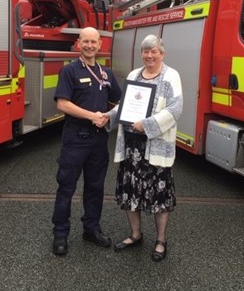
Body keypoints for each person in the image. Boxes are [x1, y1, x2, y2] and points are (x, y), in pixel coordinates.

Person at [105, 34, 183, 262]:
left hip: (155, 148)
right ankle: (136, 234)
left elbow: (176, 108)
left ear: (162, 53)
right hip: (131, 149)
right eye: (145, 51)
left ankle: (161, 240)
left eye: (154, 51)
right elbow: (124, 105)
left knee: (159, 196)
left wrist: (146, 125)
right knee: (131, 193)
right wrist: (107, 116)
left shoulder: (170, 76)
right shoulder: (133, 75)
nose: (149, 55)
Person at [51, 27, 122, 256]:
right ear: (78, 44)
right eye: (86, 41)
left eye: (94, 42)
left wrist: (110, 116)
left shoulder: (107, 74)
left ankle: (91, 229)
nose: (90, 45)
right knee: (66, 188)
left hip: (99, 141)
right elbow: (62, 104)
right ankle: (60, 234)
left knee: (95, 187)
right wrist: (93, 116)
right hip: (75, 139)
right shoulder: (69, 71)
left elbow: (120, 101)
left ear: (100, 45)